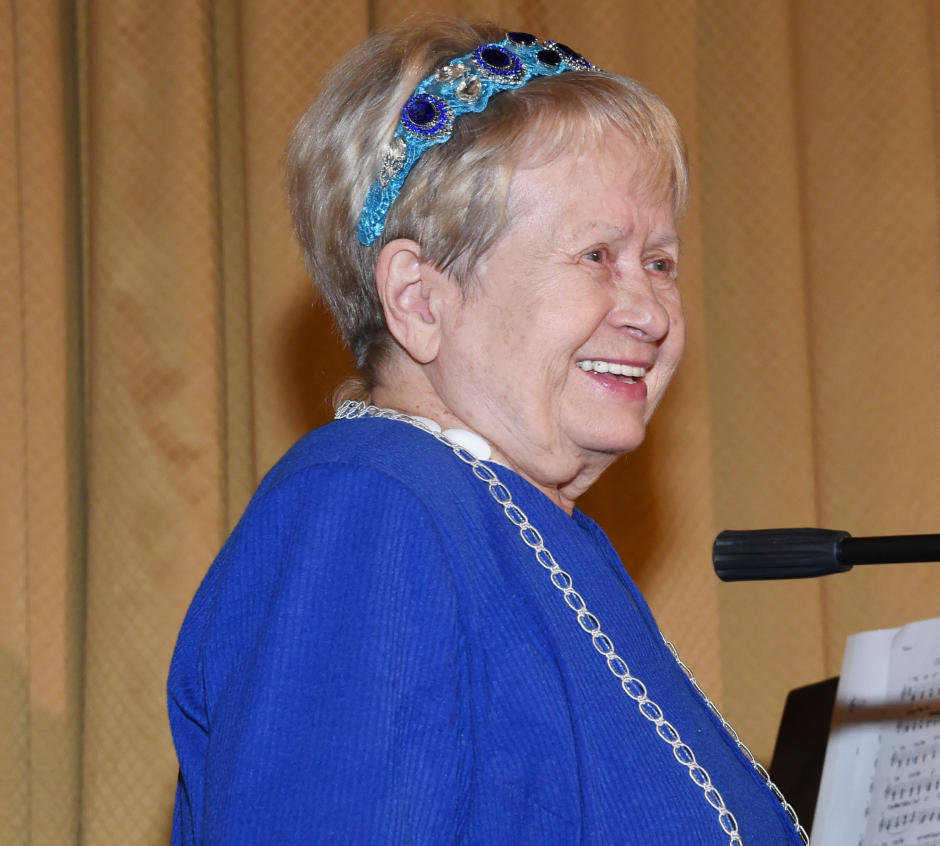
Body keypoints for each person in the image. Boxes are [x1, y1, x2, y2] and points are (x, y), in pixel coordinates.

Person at [167, 17, 807, 845]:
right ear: (420, 299)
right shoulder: (370, 509)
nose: (652, 313)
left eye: (659, 262)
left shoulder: (544, 538)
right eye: (596, 256)